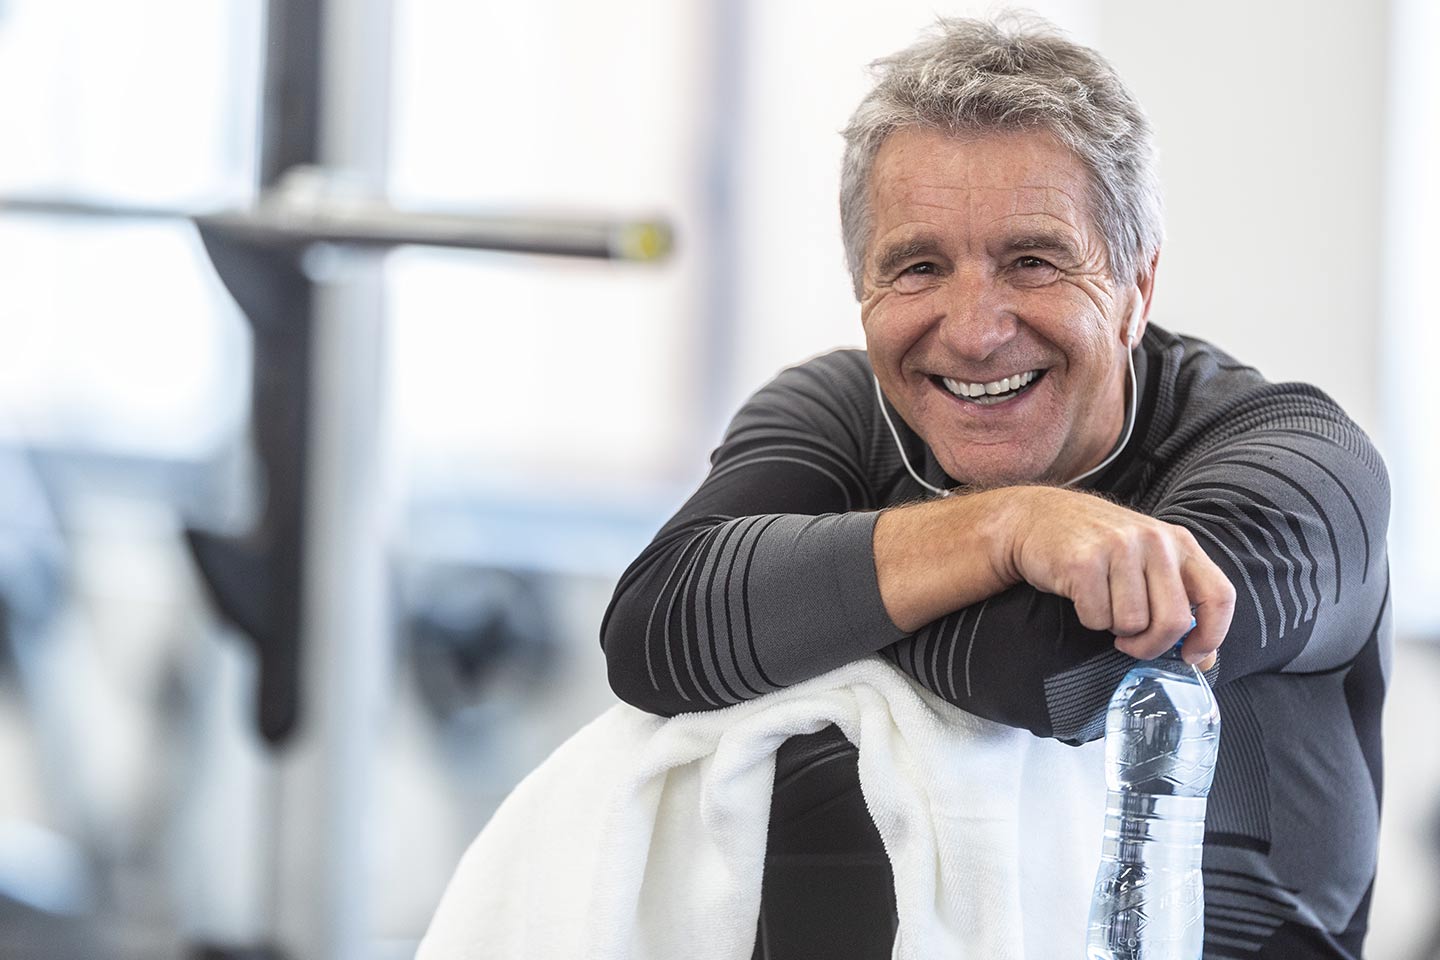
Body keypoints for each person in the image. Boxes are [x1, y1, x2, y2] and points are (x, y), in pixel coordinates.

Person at [600, 14, 1390, 958]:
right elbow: (656, 626)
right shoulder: (841, 410)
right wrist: (1007, 528)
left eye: (1033, 261)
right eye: (919, 267)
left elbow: (1059, 672)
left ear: (1137, 287)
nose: (974, 332)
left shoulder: (1300, 464)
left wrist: (811, 616)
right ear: (863, 289)